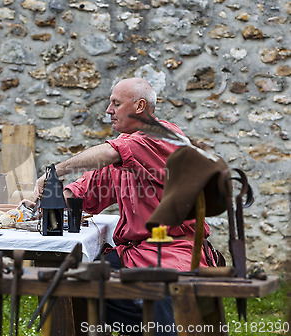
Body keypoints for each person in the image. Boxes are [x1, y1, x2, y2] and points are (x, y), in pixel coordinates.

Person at [33, 78, 215, 335]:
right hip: (135, 253)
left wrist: (56, 170)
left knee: (162, 296)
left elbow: (110, 153)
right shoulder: (123, 148)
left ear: (140, 106)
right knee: (77, 284)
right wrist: (48, 196)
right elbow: (85, 191)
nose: (108, 110)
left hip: (172, 250)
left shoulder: (162, 136)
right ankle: (141, 327)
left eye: (116, 104)